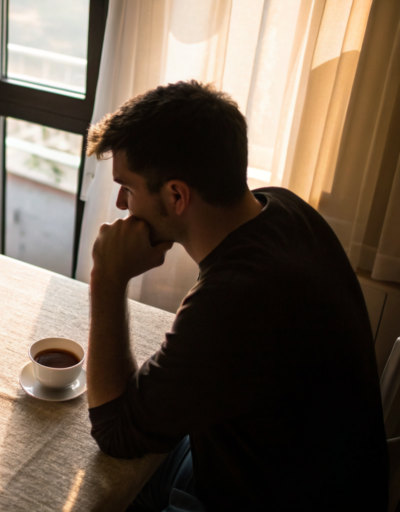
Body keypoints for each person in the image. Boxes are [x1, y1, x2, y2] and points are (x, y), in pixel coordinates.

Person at [84, 80, 389, 511]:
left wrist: (107, 278)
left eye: (128, 188)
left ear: (176, 196)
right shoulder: (284, 208)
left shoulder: (234, 300)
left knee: (94, 486)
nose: (120, 203)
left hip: (256, 498)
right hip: (298, 471)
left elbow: (115, 432)